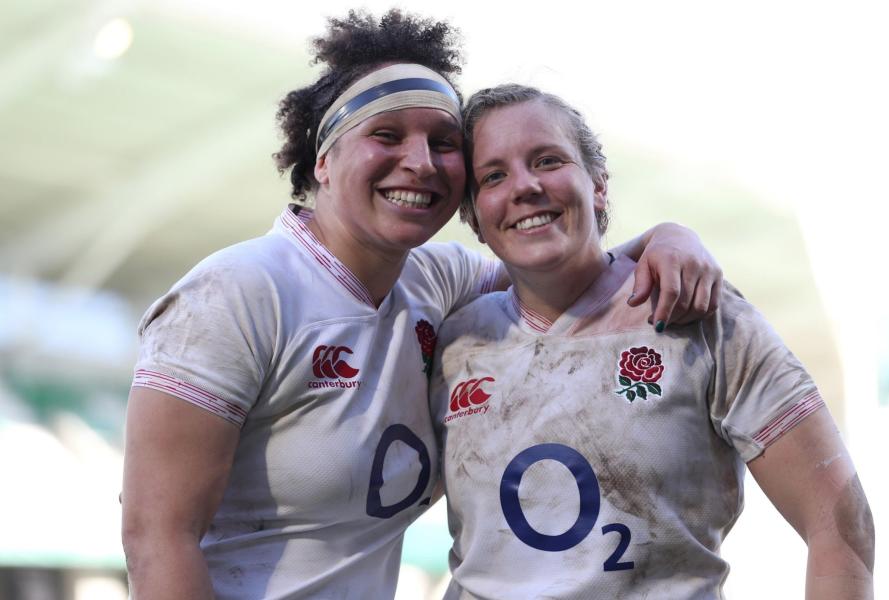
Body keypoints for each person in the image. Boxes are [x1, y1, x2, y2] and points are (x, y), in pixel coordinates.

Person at [119, 11, 724, 600]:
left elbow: (565, 263)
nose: (421, 162)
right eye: (387, 135)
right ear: (323, 161)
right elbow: (156, 538)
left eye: (443, 143)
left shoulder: (440, 280)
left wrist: (667, 237)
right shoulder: (237, 292)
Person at [431, 84, 875, 599]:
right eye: (494, 176)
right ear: (475, 218)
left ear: (598, 184)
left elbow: (840, 521)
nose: (525, 186)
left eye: (548, 160)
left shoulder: (697, 311)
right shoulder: (453, 343)